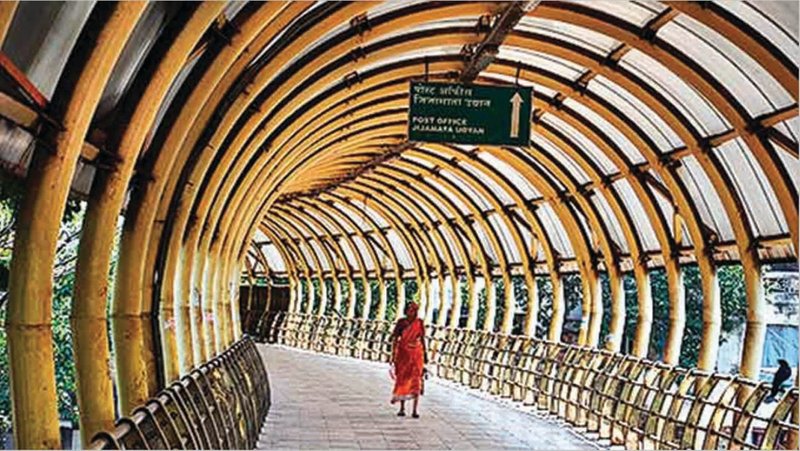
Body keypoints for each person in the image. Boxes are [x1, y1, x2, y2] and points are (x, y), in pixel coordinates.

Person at [390, 302, 428, 418]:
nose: (413, 313)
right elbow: (395, 339)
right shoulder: (401, 323)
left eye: (415, 310)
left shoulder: (419, 323)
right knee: (403, 379)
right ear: (406, 311)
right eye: (411, 310)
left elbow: (422, 339)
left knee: (416, 380)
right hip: (403, 355)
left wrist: (425, 353)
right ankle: (402, 407)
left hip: (416, 354)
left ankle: (415, 410)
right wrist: (393, 355)